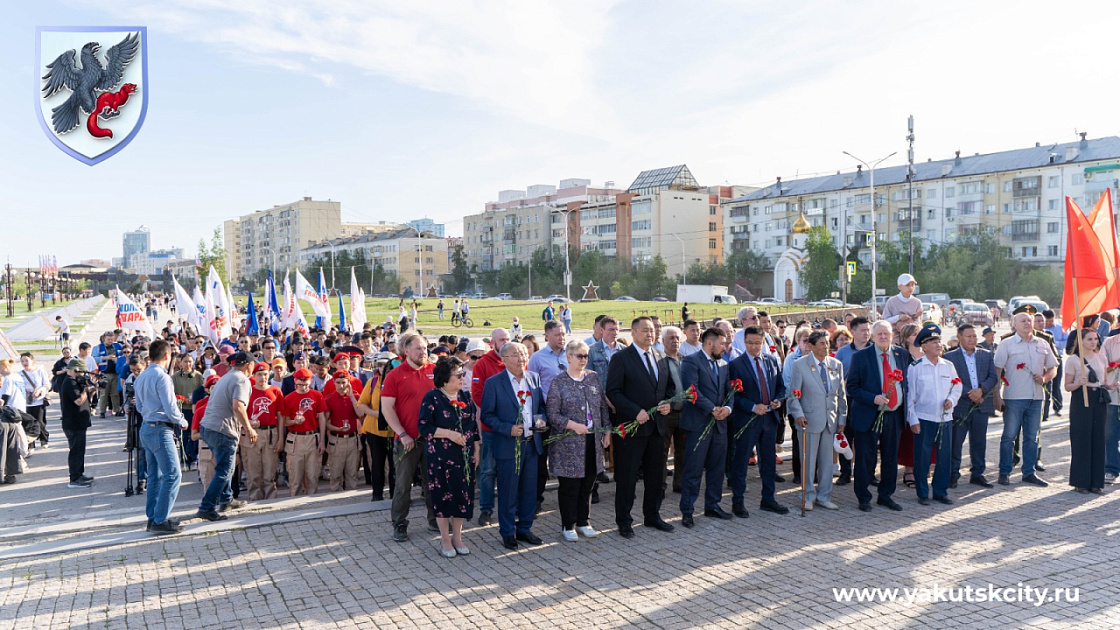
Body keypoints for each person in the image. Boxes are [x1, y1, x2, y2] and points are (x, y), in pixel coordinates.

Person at [605, 316, 673, 537]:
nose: (649, 334)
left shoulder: (661, 357)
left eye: (652, 330)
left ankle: (652, 515)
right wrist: (635, 411)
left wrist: (668, 405)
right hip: (632, 429)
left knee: (656, 476)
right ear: (633, 333)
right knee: (627, 477)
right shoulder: (621, 358)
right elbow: (613, 392)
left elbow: (668, 389)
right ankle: (624, 520)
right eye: (644, 330)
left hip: (657, 428)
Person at [481, 342, 546, 550]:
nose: (522, 358)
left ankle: (524, 528)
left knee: (529, 490)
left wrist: (541, 420)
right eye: (516, 355)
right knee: (509, 491)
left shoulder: (533, 378)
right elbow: (487, 415)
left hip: (531, 444)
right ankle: (508, 532)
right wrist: (508, 428)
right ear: (504, 359)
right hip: (509, 445)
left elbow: (540, 407)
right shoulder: (494, 383)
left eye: (524, 354)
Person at [546, 340, 609, 541]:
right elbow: (552, 413)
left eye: (586, 356)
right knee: (570, 487)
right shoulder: (559, 382)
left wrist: (606, 430)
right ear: (569, 357)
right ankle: (568, 524)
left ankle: (584, 521)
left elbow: (602, 407)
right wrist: (572, 425)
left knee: (588, 484)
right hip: (569, 444)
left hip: (592, 440)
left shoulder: (593, 378)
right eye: (579, 356)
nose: (583, 360)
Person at [846, 320, 910, 513]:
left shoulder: (902, 354)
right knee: (866, 457)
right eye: (879, 334)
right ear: (872, 336)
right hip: (868, 414)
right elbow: (851, 388)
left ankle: (886, 495)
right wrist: (872, 398)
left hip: (894, 415)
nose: (883, 337)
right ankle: (863, 497)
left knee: (890, 457)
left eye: (887, 334)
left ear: (892, 336)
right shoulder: (861, 357)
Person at [419, 356, 480, 557]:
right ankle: (445, 539)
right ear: (445, 379)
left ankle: (458, 536)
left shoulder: (465, 396)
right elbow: (424, 426)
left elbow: (473, 426)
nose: (463, 378)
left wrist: (477, 450)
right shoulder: (432, 397)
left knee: (462, 495)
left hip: (464, 457)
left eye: (463, 374)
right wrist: (449, 434)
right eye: (459, 375)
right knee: (443, 496)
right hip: (440, 457)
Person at [382, 332, 437, 542]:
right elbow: (387, 409)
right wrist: (402, 434)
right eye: (418, 349)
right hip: (407, 440)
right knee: (403, 485)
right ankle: (400, 524)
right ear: (406, 351)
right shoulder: (395, 375)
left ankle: (435, 519)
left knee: (433, 483)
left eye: (425, 348)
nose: (423, 352)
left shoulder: (434, 371)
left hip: (432, 439)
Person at [728, 325, 788, 517]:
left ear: (764, 342)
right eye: (750, 343)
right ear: (744, 342)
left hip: (769, 419)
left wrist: (778, 400)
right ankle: (738, 502)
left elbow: (780, 386)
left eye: (757, 343)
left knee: (768, 461)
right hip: (747, 420)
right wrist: (752, 407)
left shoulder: (771, 361)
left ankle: (768, 499)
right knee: (741, 462)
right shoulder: (736, 364)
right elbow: (733, 396)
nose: (754, 347)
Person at [994, 311, 1058, 487]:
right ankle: (1004, 472)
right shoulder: (1007, 344)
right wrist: (997, 395)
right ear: (1014, 324)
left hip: (1036, 398)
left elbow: (1053, 367)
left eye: (1029, 320)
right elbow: (997, 370)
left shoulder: (1043, 343)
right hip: (1014, 397)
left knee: (1032, 437)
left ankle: (1029, 472)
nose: (1027, 323)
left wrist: (1045, 378)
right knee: (1009, 436)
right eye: (1023, 320)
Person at [133, 339, 188, 535]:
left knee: (155, 476)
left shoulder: (141, 376)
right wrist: (181, 420)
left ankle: (153, 517)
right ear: (167, 355)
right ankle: (160, 518)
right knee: (173, 474)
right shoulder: (163, 377)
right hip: (160, 428)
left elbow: (138, 406)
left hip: (147, 426)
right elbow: (170, 407)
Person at [678, 327, 732, 526]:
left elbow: (729, 391)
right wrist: (712, 408)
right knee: (693, 469)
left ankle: (712, 505)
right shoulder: (691, 361)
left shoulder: (724, 364)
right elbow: (691, 390)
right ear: (710, 343)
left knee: (717, 468)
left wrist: (727, 408)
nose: (724, 347)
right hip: (698, 424)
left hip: (720, 425)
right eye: (722, 343)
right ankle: (687, 510)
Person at [788, 330, 846, 511]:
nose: (826, 347)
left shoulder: (836, 364)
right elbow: (793, 395)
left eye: (827, 343)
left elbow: (841, 395)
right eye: (822, 343)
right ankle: (807, 495)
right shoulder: (800, 365)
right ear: (811, 346)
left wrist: (842, 417)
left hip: (830, 421)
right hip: (809, 421)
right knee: (809, 461)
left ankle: (824, 496)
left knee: (827, 462)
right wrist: (798, 414)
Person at [906, 325, 962, 505]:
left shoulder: (949, 366)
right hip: (924, 418)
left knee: (944, 456)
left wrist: (951, 400)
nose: (938, 344)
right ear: (924, 346)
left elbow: (957, 386)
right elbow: (910, 395)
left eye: (939, 341)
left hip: (944, 418)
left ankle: (940, 491)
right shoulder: (916, 367)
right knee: (922, 458)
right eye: (933, 342)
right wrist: (912, 418)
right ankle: (922, 492)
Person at [197, 352, 257, 521]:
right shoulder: (242, 379)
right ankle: (206, 507)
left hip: (208, 428)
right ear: (248, 365)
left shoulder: (225, 376)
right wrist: (249, 429)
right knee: (225, 470)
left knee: (224, 468)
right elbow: (238, 407)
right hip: (222, 430)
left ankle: (227, 499)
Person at [944, 324, 998, 488]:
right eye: (969, 336)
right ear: (959, 337)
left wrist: (981, 390)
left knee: (979, 441)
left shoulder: (986, 355)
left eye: (974, 336)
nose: (973, 339)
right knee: (956, 442)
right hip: (960, 406)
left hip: (981, 405)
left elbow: (993, 377)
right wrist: (970, 393)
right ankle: (953, 474)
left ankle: (978, 473)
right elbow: (950, 381)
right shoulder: (950, 357)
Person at [471, 328, 510, 527]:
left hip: (512, 427)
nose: (505, 342)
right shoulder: (483, 364)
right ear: (492, 343)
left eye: (508, 339)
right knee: (488, 470)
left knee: (510, 469)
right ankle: (486, 509)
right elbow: (477, 394)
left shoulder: (514, 360)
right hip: (491, 427)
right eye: (502, 339)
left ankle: (509, 506)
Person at [527, 320, 568, 509]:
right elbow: (532, 388)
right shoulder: (537, 358)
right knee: (540, 461)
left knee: (568, 456)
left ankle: (570, 498)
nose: (562, 337)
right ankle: (535, 500)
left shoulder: (572, 353)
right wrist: (538, 417)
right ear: (547, 336)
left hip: (569, 415)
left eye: (563, 333)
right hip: (544, 414)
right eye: (558, 334)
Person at [1065, 329, 1110, 494]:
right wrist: (1078, 383)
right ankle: (1081, 481)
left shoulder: (1102, 358)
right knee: (1081, 438)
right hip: (1080, 398)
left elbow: (1103, 381)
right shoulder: (1073, 360)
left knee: (1098, 438)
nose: (1094, 342)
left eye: (1096, 339)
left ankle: (1096, 481)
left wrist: (1111, 386)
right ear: (1081, 341)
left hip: (1098, 399)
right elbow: (1067, 386)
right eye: (1090, 339)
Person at [356, 353, 397, 502]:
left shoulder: (399, 382)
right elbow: (361, 403)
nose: (382, 368)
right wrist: (377, 413)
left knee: (395, 466)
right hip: (375, 430)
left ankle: (395, 495)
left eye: (386, 365)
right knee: (377, 464)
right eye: (379, 365)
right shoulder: (373, 382)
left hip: (394, 431)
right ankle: (377, 494)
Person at [280, 368, 327, 497]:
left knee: (312, 475)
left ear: (310, 381)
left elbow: (322, 418)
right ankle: (294, 501)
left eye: (305, 384)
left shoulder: (317, 395)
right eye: (300, 385)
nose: (303, 387)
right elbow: (284, 421)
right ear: (295, 382)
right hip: (295, 438)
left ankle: (311, 501)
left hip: (313, 436)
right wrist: (294, 421)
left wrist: (322, 441)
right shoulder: (289, 398)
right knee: (295, 476)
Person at [244, 362, 282, 500]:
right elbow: (240, 413)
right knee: (253, 469)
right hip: (253, 433)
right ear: (254, 375)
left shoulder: (275, 391)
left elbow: (280, 416)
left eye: (265, 374)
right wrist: (248, 424)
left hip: (271, 432)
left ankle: (271, 498)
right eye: (259, 374)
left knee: (270, 470)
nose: (263, 378)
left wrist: (281, 438)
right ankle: (255, 497)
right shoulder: (248, 391)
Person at [321, 370, 362, 491]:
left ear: (349, 382)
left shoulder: (355, 397)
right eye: (338, 382)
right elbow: (325, 423)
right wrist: (337, 428)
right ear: (333, 382)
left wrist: (351, 397)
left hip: (352, 439)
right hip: (336, 440)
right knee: (335, 475)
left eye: (344, 382)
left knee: (353, 474)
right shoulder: (329, 400)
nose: (341, 386)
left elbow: (360, 413)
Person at [59, 359, 96, 488]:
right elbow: (79, 401)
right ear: (75, 371)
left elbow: (85, 399)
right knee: (76, 451)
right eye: (81, 372)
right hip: (73, 423)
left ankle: (79, 474)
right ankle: (74, 479)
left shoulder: (74, 381)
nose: (83, 375)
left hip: (79, 422)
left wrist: (92, 390)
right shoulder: (69, 382)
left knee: (80, 450)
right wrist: (86, 389)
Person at [658, 325, 686, 494]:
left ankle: (680, 483)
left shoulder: (686, 360)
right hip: (666, 414)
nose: (675, 341)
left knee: (683, 450)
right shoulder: (659, 361)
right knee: (662, 452)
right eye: (671, 338)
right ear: (663, 341)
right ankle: (660, 486)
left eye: (677, 338)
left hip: (685, 412)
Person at [19, 353, 51, 451]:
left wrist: (40, 390)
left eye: (26, 360)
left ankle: (44, 439)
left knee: (40, 422)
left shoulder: (40, 372)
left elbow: (47, 385)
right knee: (27, 423)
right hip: (26, 403)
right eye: (22, 361)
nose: (25, 363)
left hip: (38, 401)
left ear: (32, 361)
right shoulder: (19, 374)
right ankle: (30, 444)